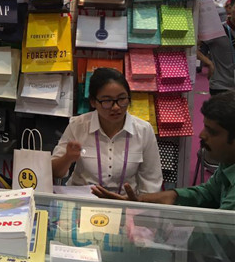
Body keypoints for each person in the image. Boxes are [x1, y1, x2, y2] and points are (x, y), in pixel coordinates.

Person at [93, 90, 235, 210]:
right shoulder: (228, 161)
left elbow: (220, 230)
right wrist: (158, 198)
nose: (202, 135)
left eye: (212, 131)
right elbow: (208, 193)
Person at [51, 68, 162, 194]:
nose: (116, 107)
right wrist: (67, 158)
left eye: (122, 99)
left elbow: (151, 181)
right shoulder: (78, 125)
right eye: (107, 101)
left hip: (125, 201)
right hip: (82, 200)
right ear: (93, 102)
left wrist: (138, 204)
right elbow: (55, 173)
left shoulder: (144, 130)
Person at [198, 0, 235, 96]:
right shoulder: (217, 30)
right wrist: (209, 63)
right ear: (229, 8)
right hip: (221, 87)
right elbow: (192, 47)